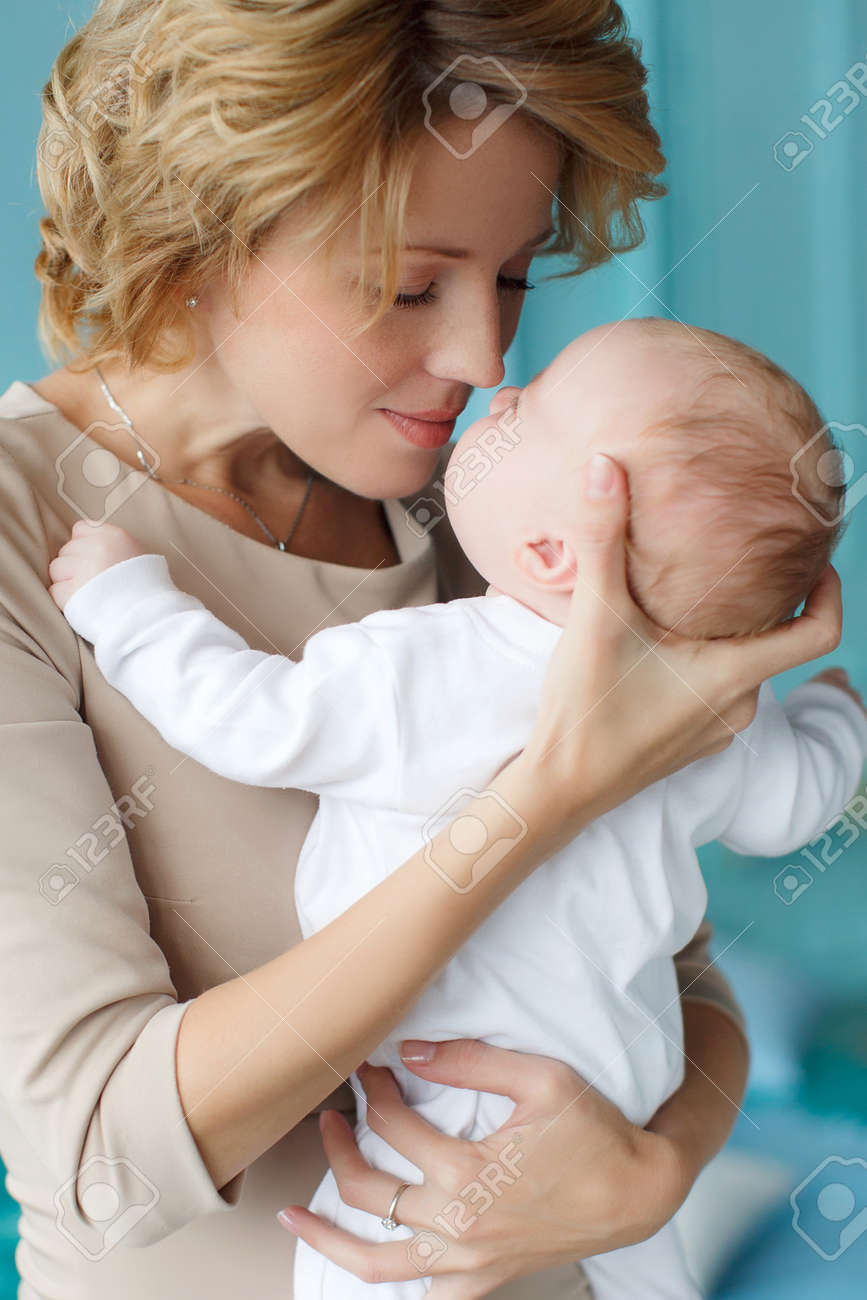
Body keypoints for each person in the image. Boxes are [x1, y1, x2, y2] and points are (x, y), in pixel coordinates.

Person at [0, 1, 844, 1296]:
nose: (483, 355)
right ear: (199, 234)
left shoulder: (498, 510)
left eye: (513, 274)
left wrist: (655, 1169)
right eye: (407, 285)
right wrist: (543, 799)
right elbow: (99, 1152)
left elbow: (668, 967)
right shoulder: (26, 530)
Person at [46, 317, 867, 1299]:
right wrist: (835, 710)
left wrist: (126, 601)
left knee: (370, 1264)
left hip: (455, 1094)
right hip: (631, 1093)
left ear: (554, 552)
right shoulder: (715, 704)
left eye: (528, 412)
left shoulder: (442, 663)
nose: (498, 388)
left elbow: (251, 718)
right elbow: (791, 808)